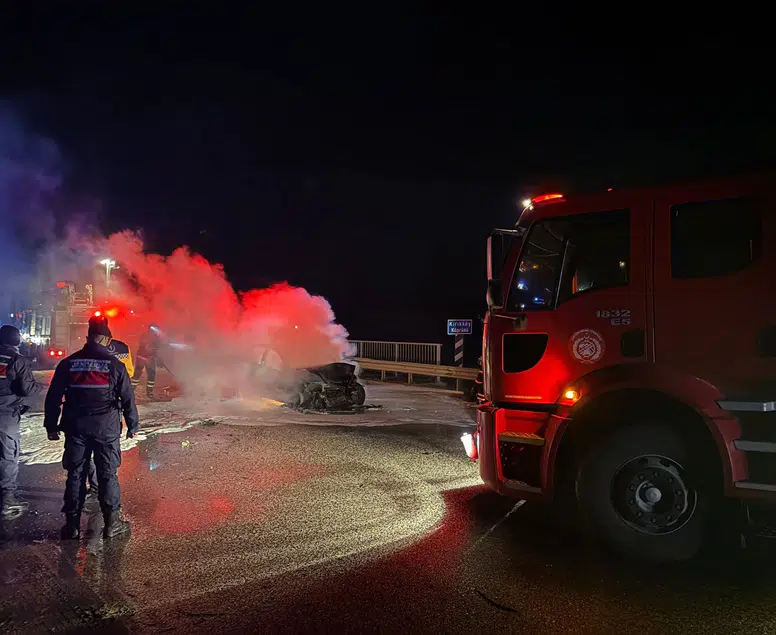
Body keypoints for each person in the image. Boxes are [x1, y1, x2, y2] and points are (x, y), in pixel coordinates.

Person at [44, 318, 139, 540]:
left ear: (87, 338)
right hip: (106, 428)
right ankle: (112, 524)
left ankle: (72, 526)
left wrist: (51, 425)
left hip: (76, 427)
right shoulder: (115, 365)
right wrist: (132, 425)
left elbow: (54, 397)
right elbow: (127, 398)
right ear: (107, 341)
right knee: (107, 474)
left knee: (76, 474)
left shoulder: (68, 363)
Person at [84, 314, 136, 502]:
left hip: (85, 409)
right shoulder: (122, 347)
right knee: (108, 449)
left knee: (87, 452)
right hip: (113, 407)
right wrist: (133, 423)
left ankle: (94, 487)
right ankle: (109, 497)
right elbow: (130, 373)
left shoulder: (85, 352)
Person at [0, 325, 44, 519]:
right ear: (16, 339)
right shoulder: (18, 360)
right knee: (8, 455)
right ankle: (8, 500)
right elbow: (26, 389)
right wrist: (40, 387)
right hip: (6, 416)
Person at [132, 325, 161, 400]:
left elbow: (156, 348)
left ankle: (148, 392)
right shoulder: (147, 336)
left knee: (148, 374)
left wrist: (155, 354)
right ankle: (132, 390)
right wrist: (152, 354)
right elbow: (146, 347)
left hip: (146, 358)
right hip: (144, 358)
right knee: (139, 374)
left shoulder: (153, 337)